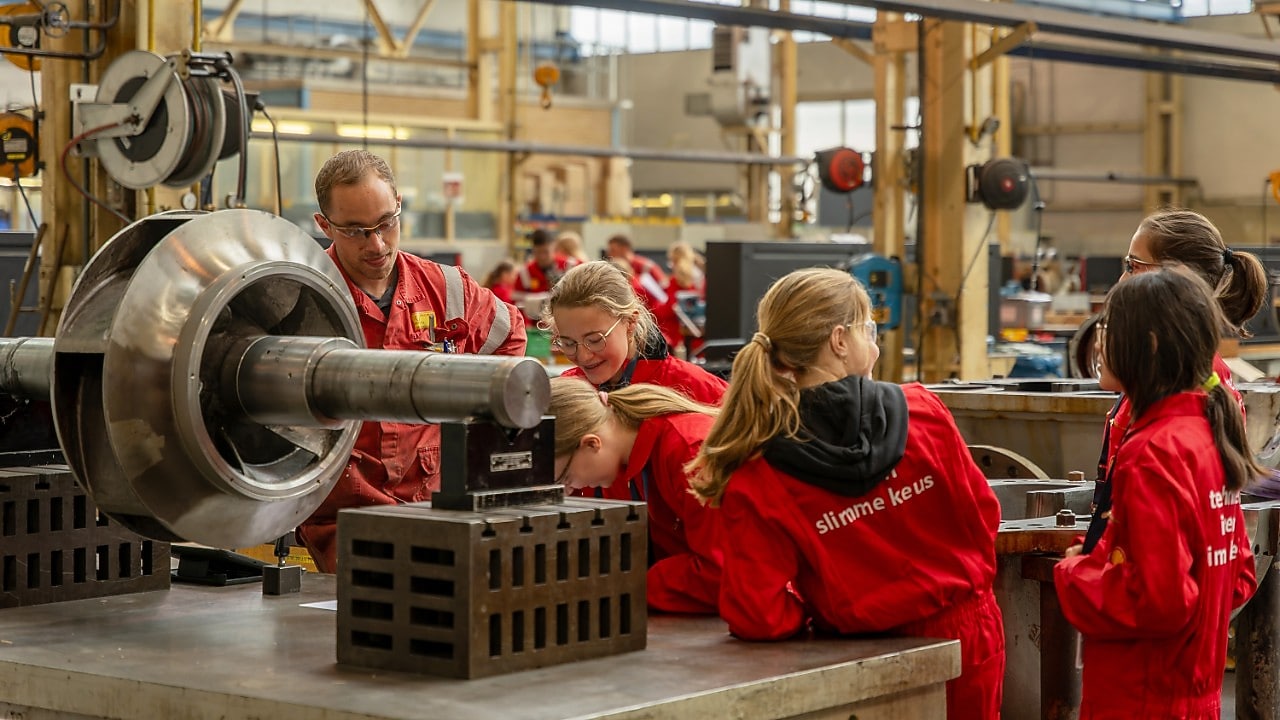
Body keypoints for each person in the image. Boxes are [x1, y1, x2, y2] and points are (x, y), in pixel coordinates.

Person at [687, 267, 1005, 720]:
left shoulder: (758, 470)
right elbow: (984, 516)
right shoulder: (923, 411)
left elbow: (757, 612)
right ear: (839, 340)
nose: (874, 345)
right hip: (965, 637)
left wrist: (830, 610)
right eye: (868, 330)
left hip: (856, 664)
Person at [298, 149, 527, 573]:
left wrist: (468, 430)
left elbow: (509, 341)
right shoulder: (299, 297)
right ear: (323, 225)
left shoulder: (448, 288)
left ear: (399, 203)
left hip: (435, 505)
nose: (376, 244)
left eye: (386, 223)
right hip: (341, 512)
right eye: (355, 231)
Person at [1055, 267, 1258, 720]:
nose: (1102, 343)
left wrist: (1077, 575)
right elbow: (1238, 576)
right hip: (1192, 692)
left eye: (1110, 329)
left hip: (1140, 696)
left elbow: (1161, 601)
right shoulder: (1206, 434)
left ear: (1147, 344)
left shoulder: (1152, 453)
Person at [1086, 208, 1267, 547]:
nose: (1122, 281)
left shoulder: (1177, 403)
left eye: (1133, 266)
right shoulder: (1168, 380)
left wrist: (1086, 576)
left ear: (1177, 279)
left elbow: (1163, 567)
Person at [549, 376, 724, 614]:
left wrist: (620, 586)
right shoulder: (640, 457)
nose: (569, 490)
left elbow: (718, 572)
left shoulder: (689, 453)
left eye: (566, 478)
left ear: (592, 444)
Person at [541, 260, 726, 404]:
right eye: (568, 343)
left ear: (630, 322)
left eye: (595, 340)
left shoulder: (694, 388)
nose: (583, 356)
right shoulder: (565, 395)